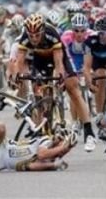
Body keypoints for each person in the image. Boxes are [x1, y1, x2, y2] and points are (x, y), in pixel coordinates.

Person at [11, 13, 96, 152]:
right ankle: (40, 130)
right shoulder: (25, 38)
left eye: (37, 35)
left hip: (59, 57)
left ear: (43, 31)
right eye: (31, 36)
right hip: (40, 59)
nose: (34, 39)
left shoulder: (52, 34)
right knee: (37, 87)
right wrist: (18, 76)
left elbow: (58, 63)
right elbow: (20, 61)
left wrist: (60, 77)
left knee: (73, 88)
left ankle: (89, 131)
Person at [61, 13, 95, 131]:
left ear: (86, 29)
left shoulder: (91, 35)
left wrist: (91, 70)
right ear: (72, 29)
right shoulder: (66, 37)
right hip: (72, 58)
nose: (79, 34)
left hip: (87, 57)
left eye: (82, 30)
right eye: (76, 30)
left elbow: (95, 55)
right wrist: (73, 72)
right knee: (74, 91)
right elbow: (65, 56)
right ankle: (75, 120)